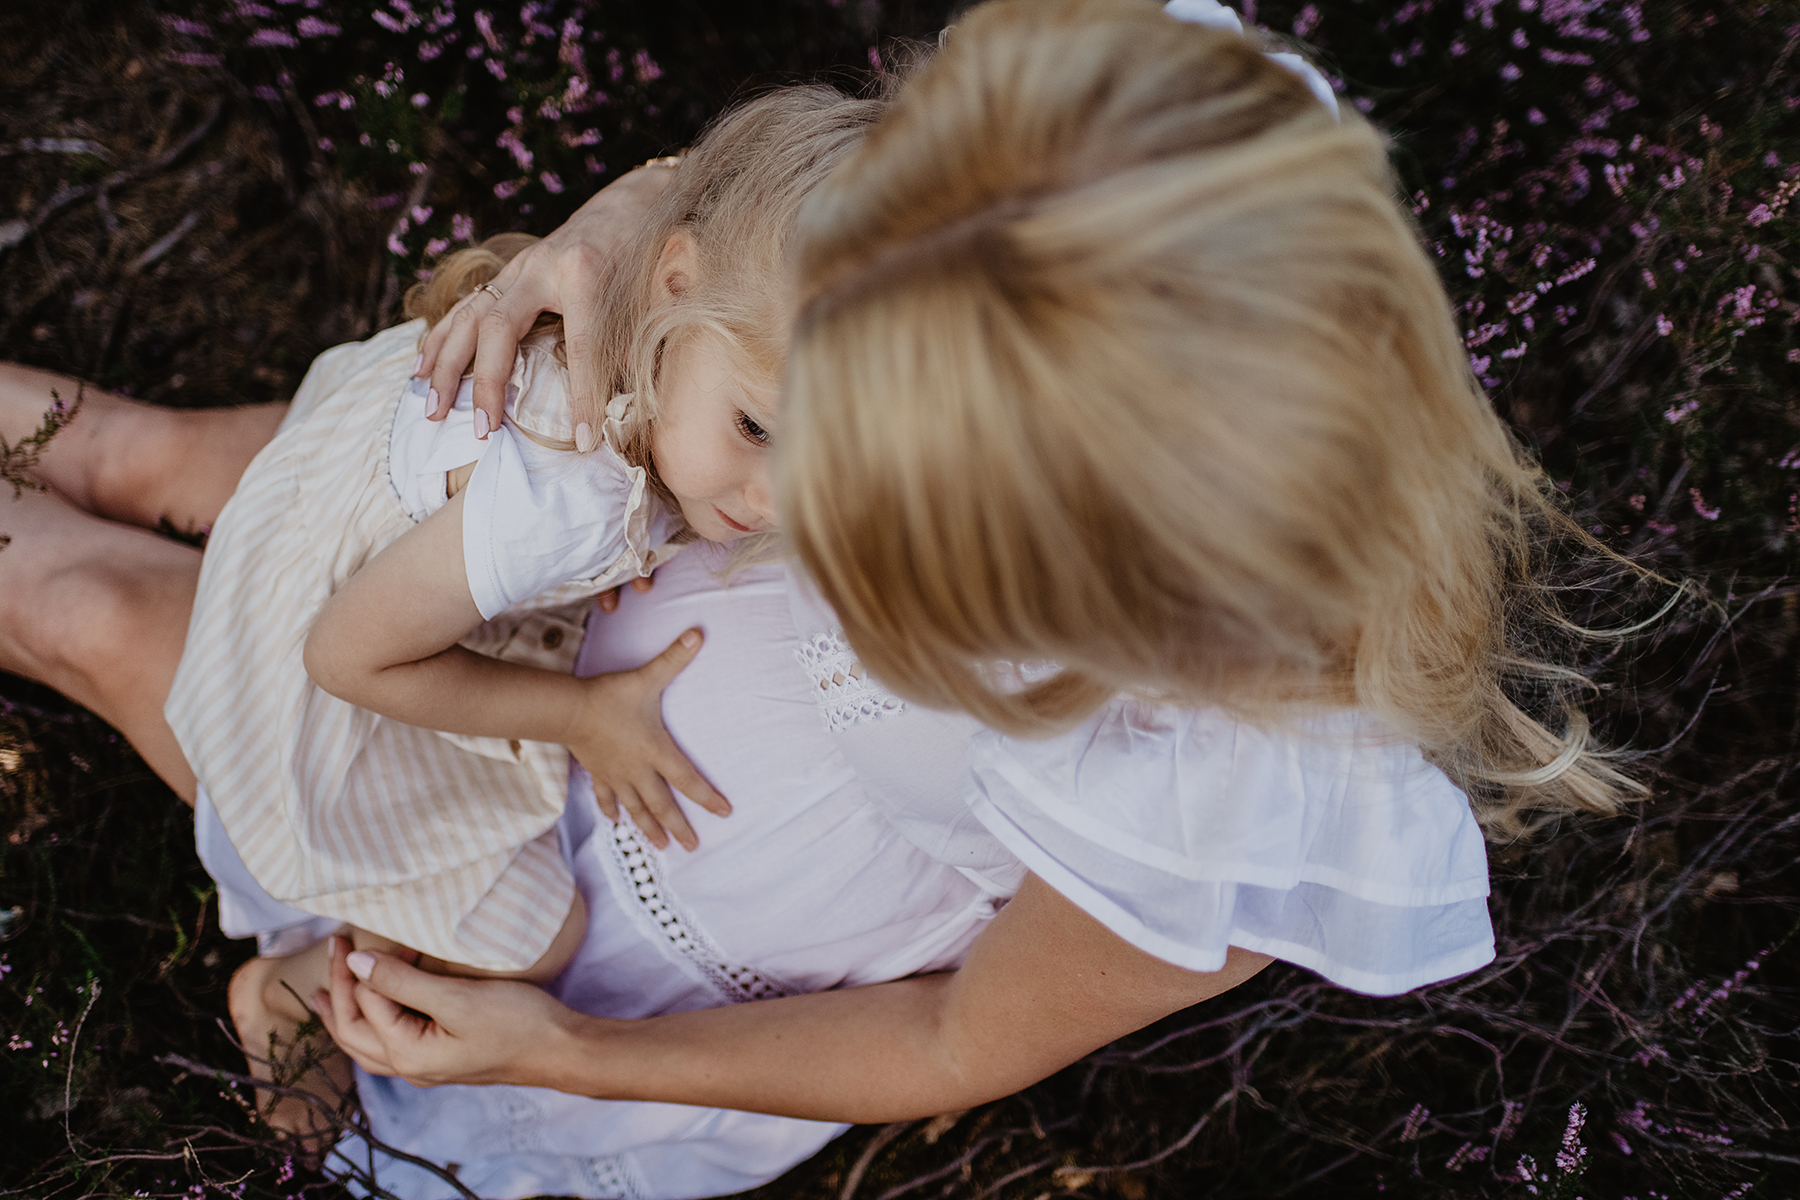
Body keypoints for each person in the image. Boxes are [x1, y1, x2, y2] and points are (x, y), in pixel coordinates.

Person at [311, 0, 1634, 1188]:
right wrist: (616, 233)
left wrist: (571, 1053)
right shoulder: (1134, 171)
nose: (835, 516)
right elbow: (827, 182)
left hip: (659, 982)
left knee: (310, 1002)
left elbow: (952, 1040)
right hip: (540, 710)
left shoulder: (1250, 783)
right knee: (214, 590)